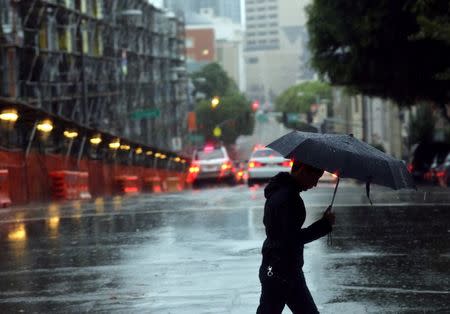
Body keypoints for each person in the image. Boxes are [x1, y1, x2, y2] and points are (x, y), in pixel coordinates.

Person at [256, 161, 336, 314]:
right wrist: (324, 224)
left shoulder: (281, 192)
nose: (315, 184)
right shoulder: (288, 198)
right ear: (303, 172)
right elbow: (291, 238)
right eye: (315, 178)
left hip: (279, 267)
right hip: (282, 270)